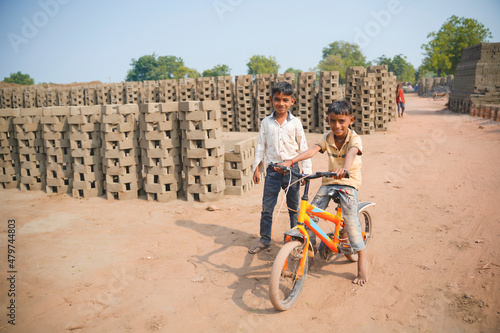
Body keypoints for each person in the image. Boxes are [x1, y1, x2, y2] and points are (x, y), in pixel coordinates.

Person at [279, 100, 367, 286]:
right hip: (329, 181)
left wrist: (345, 168)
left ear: (350, 120)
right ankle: (310, 252)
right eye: (333, 121)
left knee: (351, 222)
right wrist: (291, 162)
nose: (337, 125)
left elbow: (351, 153)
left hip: (348, 182)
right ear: (328, 120)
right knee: (311, 213)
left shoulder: (354, 138)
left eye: (342, 121)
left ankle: (361, 265)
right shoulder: (327, 138)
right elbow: (312, 151)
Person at [248, 81, 312, 254]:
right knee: (267, 207)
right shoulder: (266, 123)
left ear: (293, 101)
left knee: (293, 207)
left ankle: (293, 238)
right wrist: (256, 168)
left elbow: (303, 148)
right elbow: (261, 145)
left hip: (292, 170)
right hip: (273, 171)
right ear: (271, 100)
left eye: (285, 100)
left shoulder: (296, 123)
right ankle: (265, 239)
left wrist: (305, 173)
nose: (281, 103)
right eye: (277, 99)